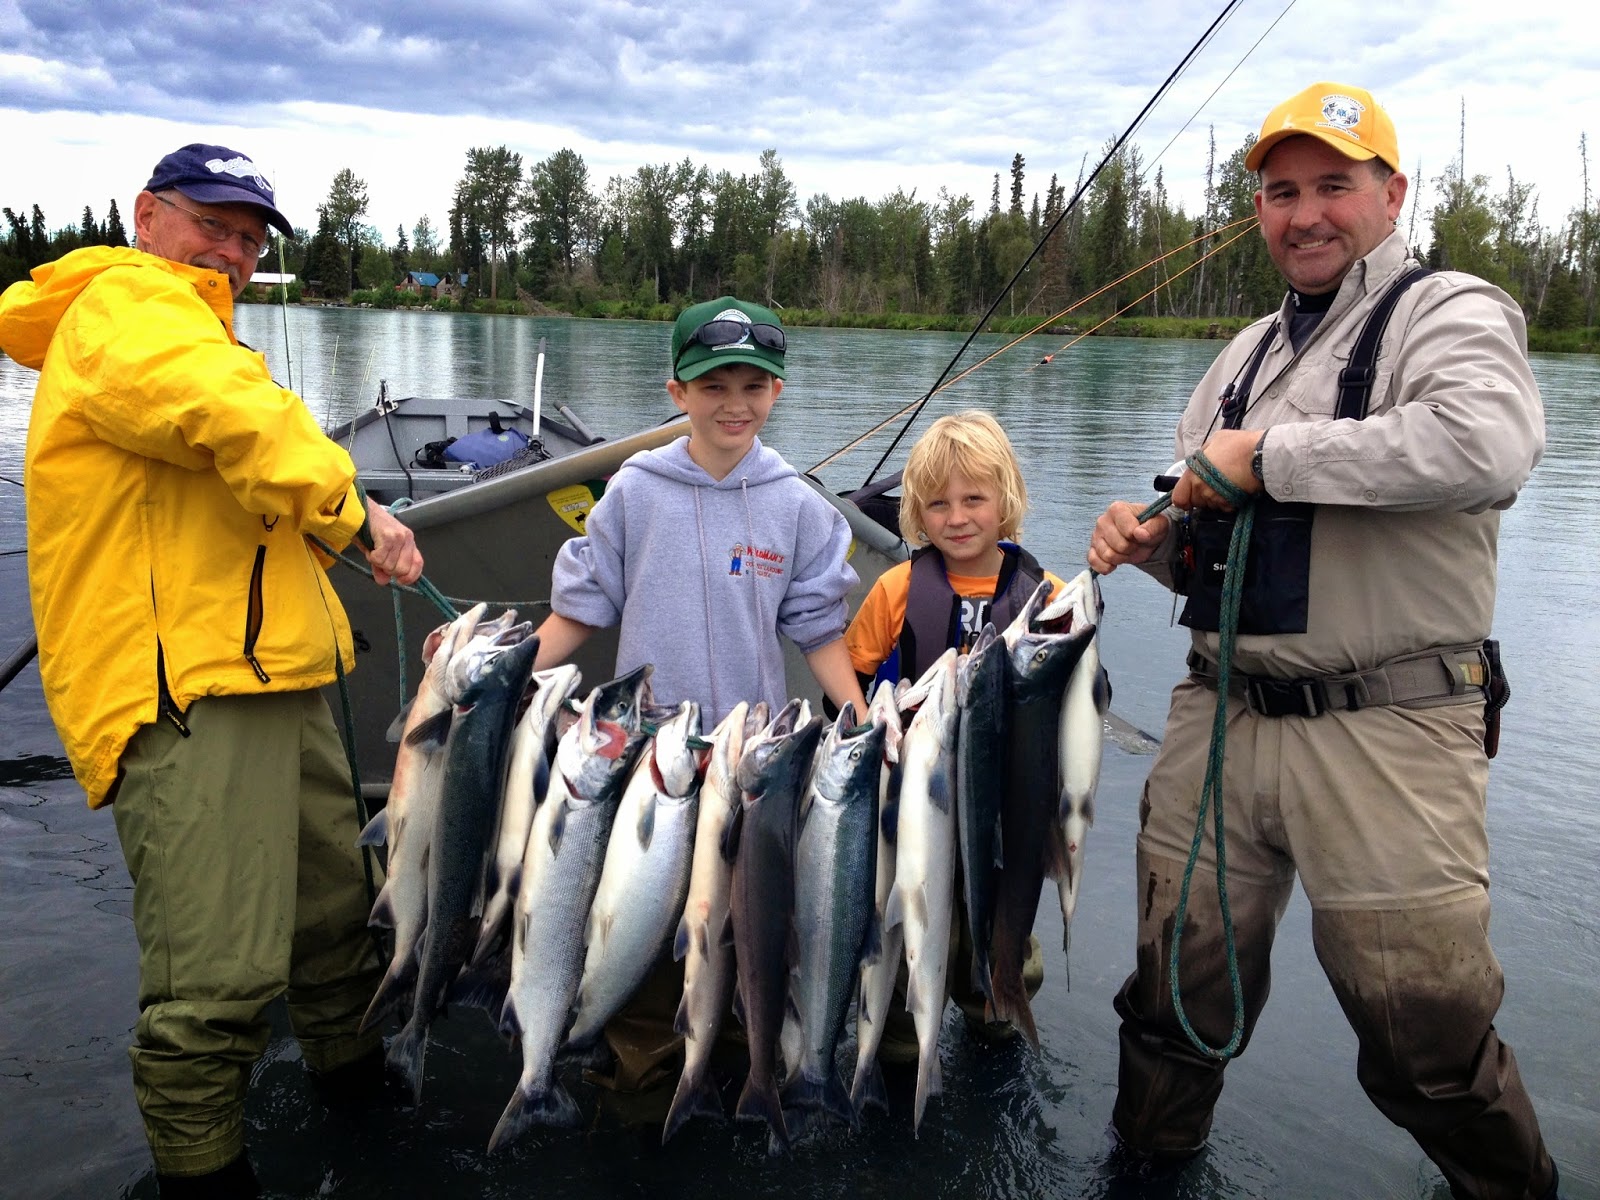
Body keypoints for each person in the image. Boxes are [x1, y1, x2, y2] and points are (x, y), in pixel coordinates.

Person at [1087, 83, 1559, 1199]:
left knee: (1425, 1039)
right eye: (1280, 191)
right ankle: (1148, 1168)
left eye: (1332, 186)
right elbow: (1215, 528)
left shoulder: (1450, 311)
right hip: (1218, 718)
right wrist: (1145, 540)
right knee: (1169, 1002)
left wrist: (1270, 459)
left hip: (1388, 731)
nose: (1303, 213)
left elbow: (1485, 445)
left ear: (1391, 193)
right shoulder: (1242, 357)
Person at [0, 143, 423, 1197]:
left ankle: (366, 1121)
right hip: (185, 695)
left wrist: (323, 528)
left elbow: (232, 473)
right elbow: (227, 413)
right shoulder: (125, 307)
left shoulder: (202, 330)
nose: (232, 250)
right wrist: (352, 508)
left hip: (277, 679)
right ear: (148, 214)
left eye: (248, 237)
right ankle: (205, 1178)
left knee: (338, 932)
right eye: (213, 224)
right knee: (219, 984)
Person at [532, 295, 868, 1110]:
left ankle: (741, 1061)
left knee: (748, 930)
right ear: (678, 391)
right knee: (642, 932)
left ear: (777, 394)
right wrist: (520, 673)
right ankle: (643, 1067)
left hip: (755, 768)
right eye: (715, 384)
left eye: (754, 385)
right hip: (652, 765)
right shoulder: (632, 492)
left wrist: (858, 718)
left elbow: (819, 627)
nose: (735, 403)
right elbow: (583, 606)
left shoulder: (795, 504)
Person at [844, 409, 1064, 1054]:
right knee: (905, 921)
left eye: (974, 498)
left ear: (1006, 500)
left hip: (1002, 806)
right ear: (915, 511)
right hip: (911, 802)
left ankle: (998, 1006)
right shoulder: (896, 588)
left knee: (997, 929)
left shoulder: (1042, 592)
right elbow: (851, 684)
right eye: (937, 504)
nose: (957, 517)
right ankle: (899, 1043)